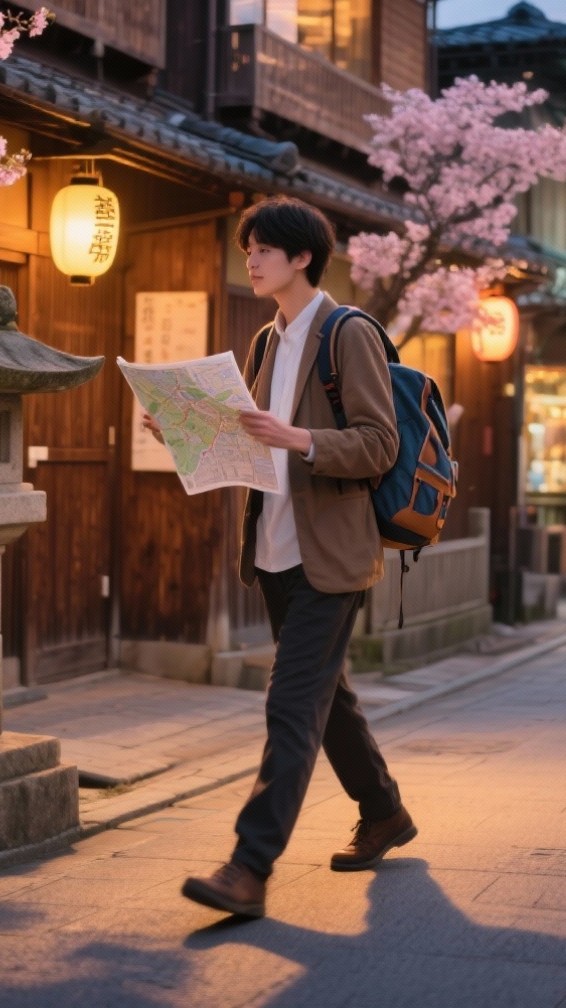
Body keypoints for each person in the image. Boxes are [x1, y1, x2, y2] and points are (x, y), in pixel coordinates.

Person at [168, 196, 413, 919]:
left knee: (290, 702)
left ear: (301, 257)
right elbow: (252, 442)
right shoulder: (266, 341)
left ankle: (249, 868)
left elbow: (379, 444)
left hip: (332, 555)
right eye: (247, 249)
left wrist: (300, 437)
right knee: (325, 697)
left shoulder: (348, 333)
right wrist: (180, 426)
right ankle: (385, 811)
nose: (250, 259)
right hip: (275, 550)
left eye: (262, 249)